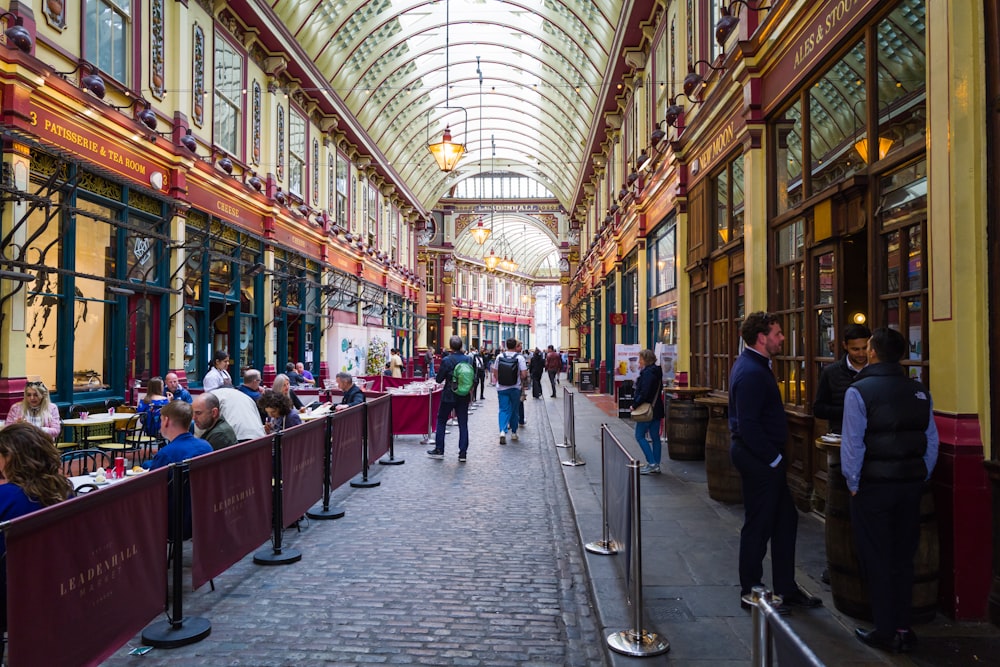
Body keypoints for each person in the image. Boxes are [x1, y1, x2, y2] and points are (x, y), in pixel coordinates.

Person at [841, 327, 939, 653]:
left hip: (874, 488)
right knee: (903, 557)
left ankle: (884, 629)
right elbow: (932, 441)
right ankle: (903, 625)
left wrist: (853, 483)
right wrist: (921, 474)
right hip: (910, 486)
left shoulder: (859, 391)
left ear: (872, 353)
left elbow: (852, 445)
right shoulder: (919, 391)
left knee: (878, 557)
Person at [729, 311, 821, 614]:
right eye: (778, 334)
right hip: (759, 461)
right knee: (758, 526)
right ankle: (750, 592)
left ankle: (786, 588)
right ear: (762, 337)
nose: (782, 338)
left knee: (785, 521)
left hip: (764, 460)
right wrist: (774, 459)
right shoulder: (752, 372)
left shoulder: (757, 365)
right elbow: (748, 425)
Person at [0, 423, 74, 629]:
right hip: (56, 587)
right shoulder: (64, 489)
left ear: (10, 457)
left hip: (10, 596)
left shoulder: (6, 498)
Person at [813, 324, 871, 434]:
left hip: (872, 438)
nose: (861, 354)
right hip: (841, 435)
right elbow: (818, 409)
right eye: (855, 349)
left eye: (865, 348)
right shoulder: (830, 372)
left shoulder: (877, 370)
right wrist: (848, 411)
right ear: (845, 345)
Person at [427, 336, 472, 462]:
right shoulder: (468, 359)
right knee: (463, 424)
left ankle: (439, 449)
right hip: (463, 394)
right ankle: (463, 453)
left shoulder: (447, 360)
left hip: (449, 394)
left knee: (441, 420)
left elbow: (439, 379)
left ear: (451, 346)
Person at [144, 401, 213, 470]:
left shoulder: (166, 454)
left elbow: (154, 480)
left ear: (166, 421)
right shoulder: (207, 446)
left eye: (161, 420)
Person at [631, 349, 665, 474]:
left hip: (647, 409)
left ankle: (651, 462)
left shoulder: (648, 373)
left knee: (639, 435)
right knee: (655, 437)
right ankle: (656, 463)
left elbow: (645, 393)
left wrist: (635, 405)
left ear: (645, 360)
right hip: (656, 408)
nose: (639, 361)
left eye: (640, 359)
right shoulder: (657, 371)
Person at [492, 337, 527, 444]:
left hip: (502, 388)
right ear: (515, 346)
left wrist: (500, 381)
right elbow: (524, 374)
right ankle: (514, 433)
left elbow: (495, 371)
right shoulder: (519, 358)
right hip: (515, 387)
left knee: (503, 409)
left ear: (506, 345)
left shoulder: (499, 356)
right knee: (514, 410)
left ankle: (502, 431)